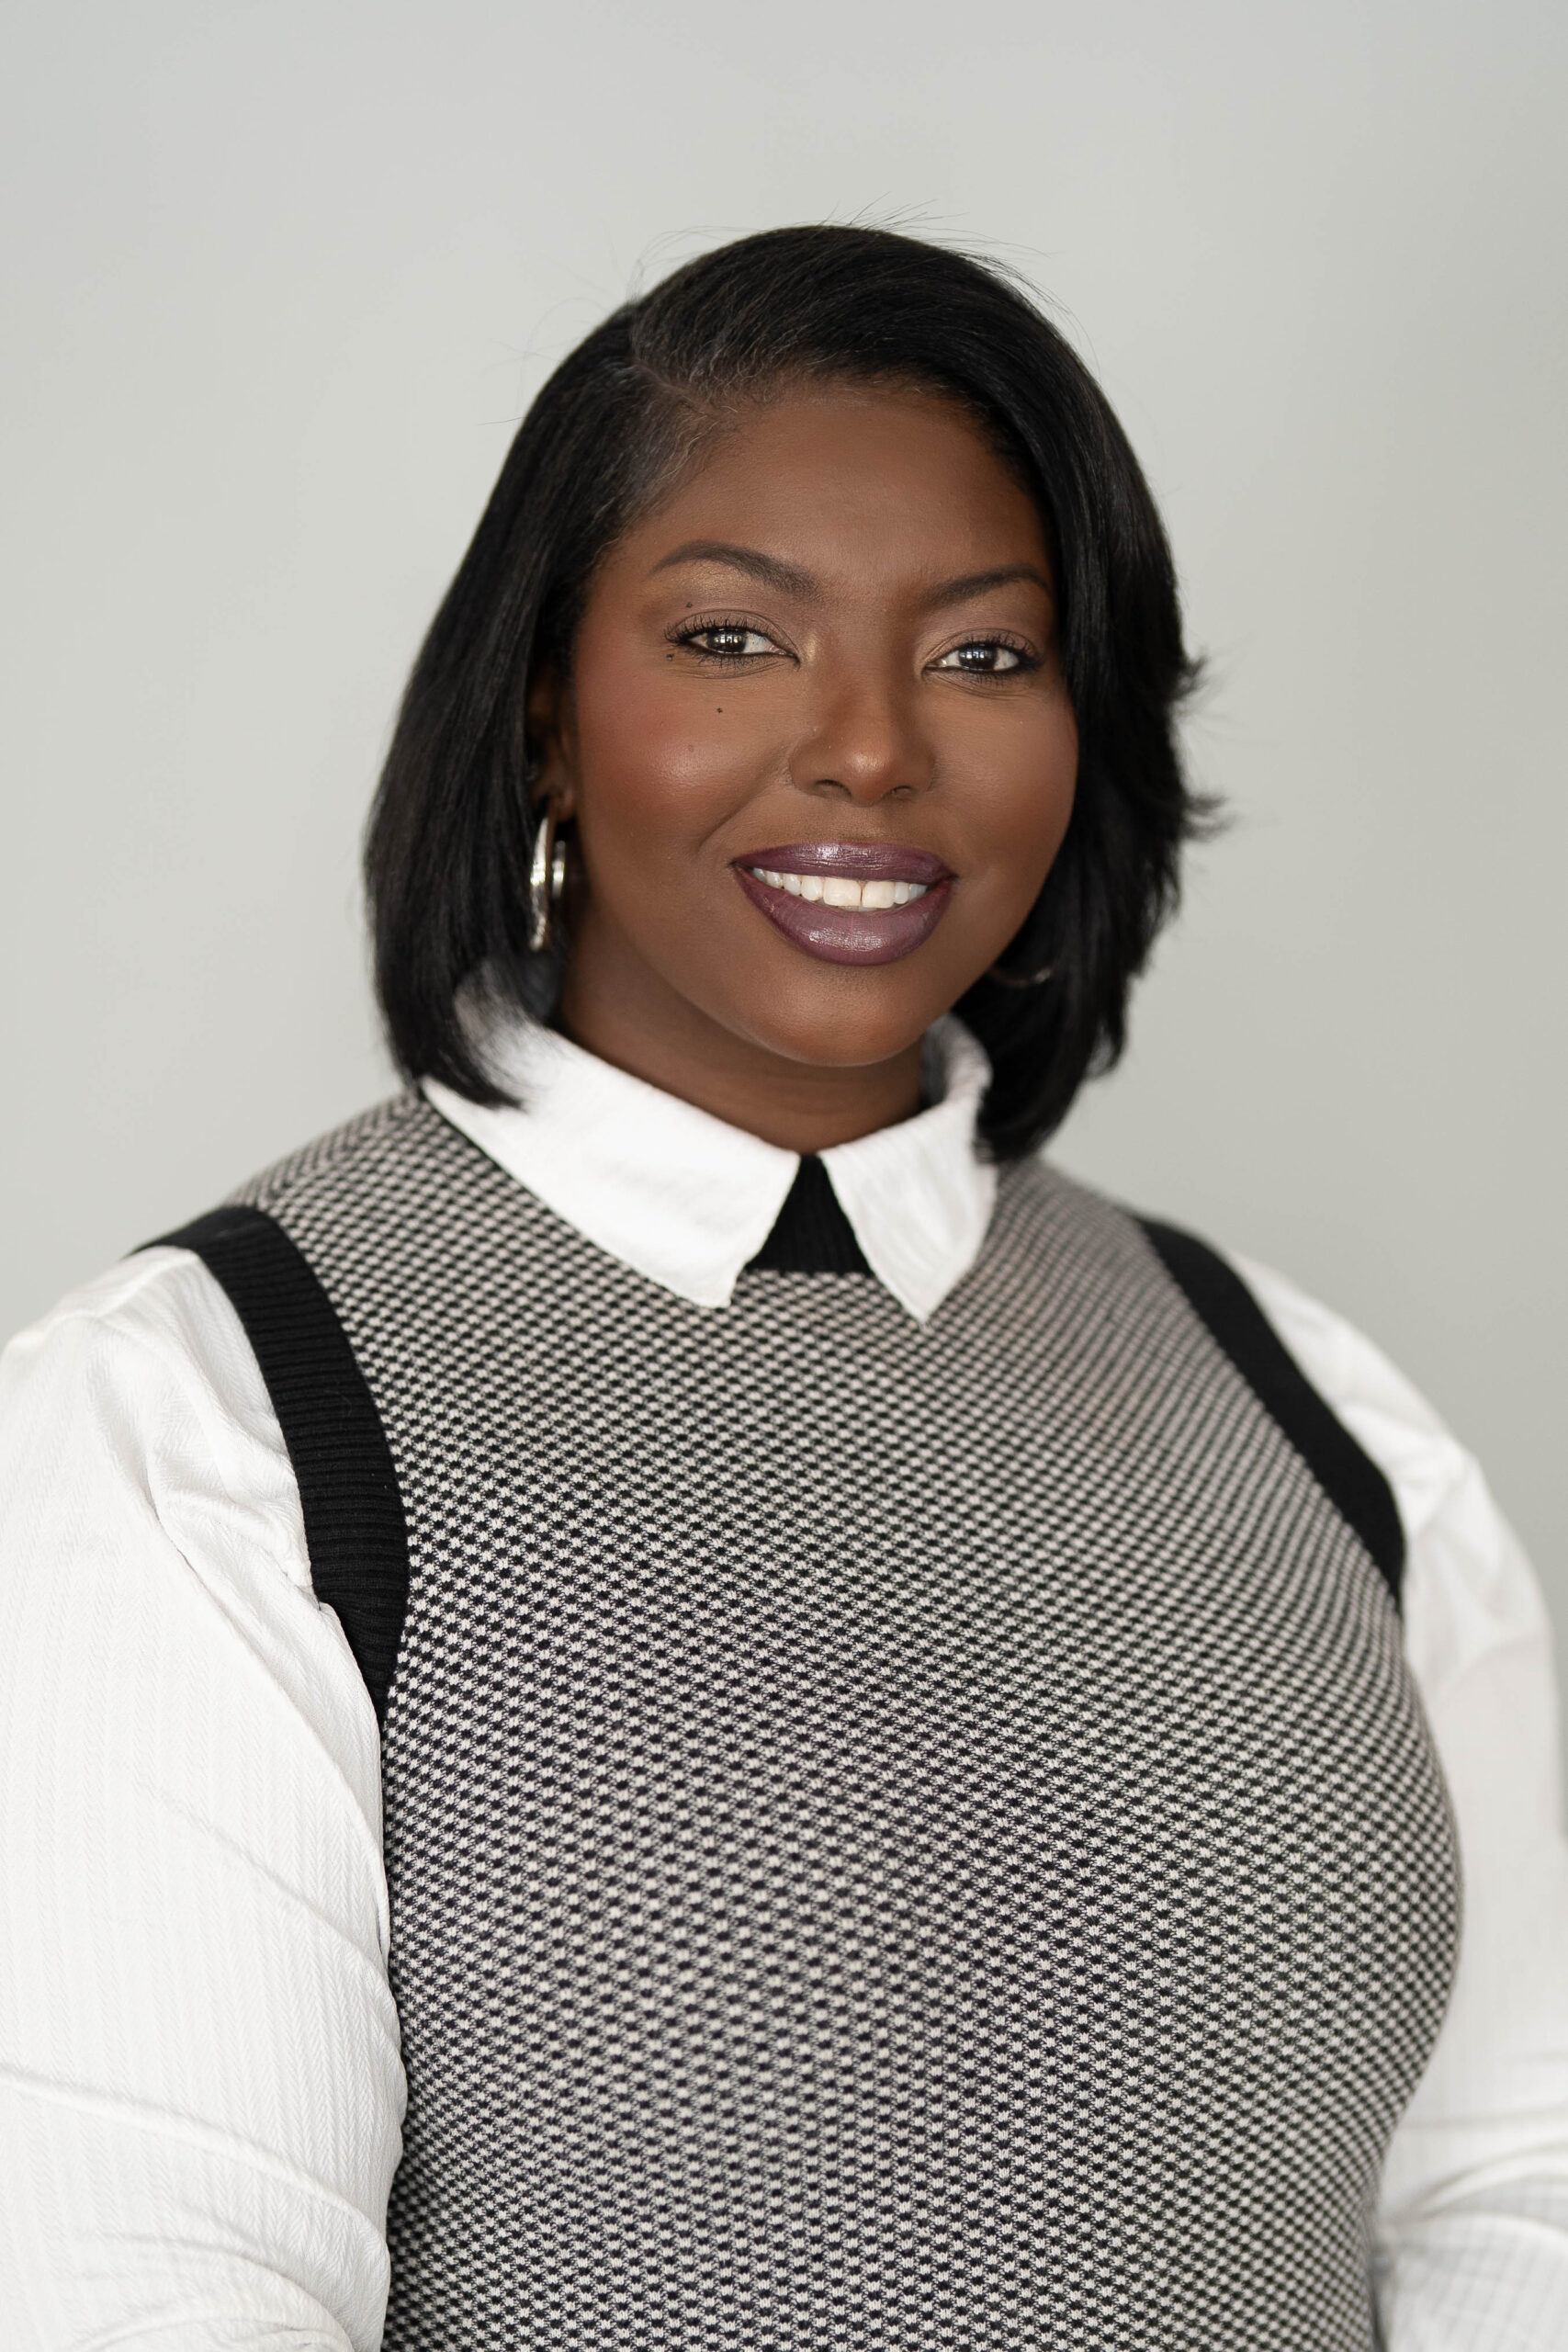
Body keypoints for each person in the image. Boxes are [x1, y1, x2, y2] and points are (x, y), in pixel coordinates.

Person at [2, 224, 1565, 2352]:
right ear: (546, 709)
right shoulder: (200, 1424)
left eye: (985, 655)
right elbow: (151, 2290)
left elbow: (1514, 2190)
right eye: (733, 637)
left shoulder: (1307, 1411)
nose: (866, 753)